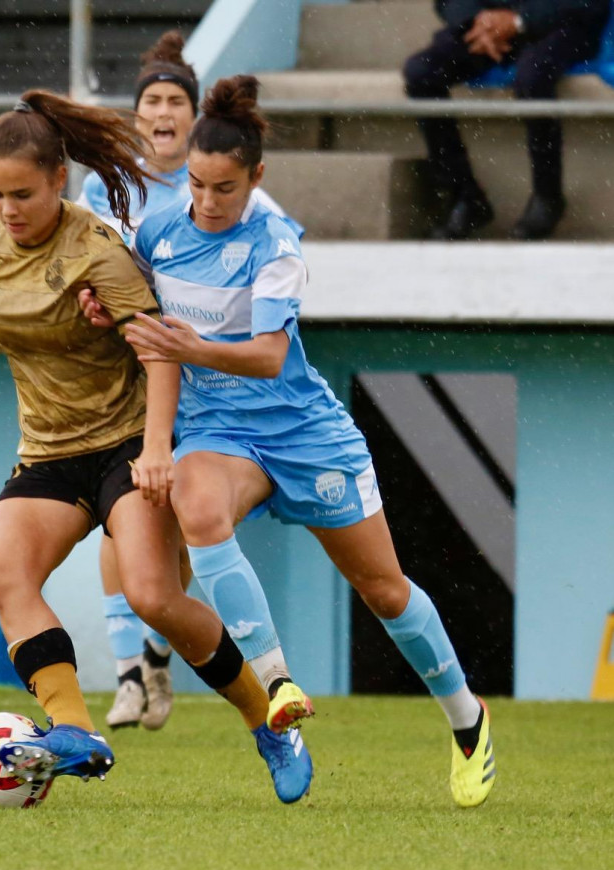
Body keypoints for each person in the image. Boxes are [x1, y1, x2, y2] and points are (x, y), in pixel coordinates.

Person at [94, 73, 495, 807]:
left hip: (305, 434)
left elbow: (270, 355)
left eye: (225, 188)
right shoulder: (157, 234)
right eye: (199, 184)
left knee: (382, 589)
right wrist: (107, 310)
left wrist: (192, 347)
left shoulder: (274, 243)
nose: (208, 202)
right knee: (196, 503)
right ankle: (277, 683)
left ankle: (467, 721)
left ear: (256, 178)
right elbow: (142, 328)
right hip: (219, 432)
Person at [0, 89, 312, 803]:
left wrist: (157, 449)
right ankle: (73, 730)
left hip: (127, 443)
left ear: (58, 179)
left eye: (23, 193)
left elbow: (159, 353)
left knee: (154, 595)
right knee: (4, 575)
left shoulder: (96, 247)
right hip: (49, 451)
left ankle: (267, 722)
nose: (8, 209)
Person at [76, 30, 311, 735]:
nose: (162, 112)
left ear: (190, 115)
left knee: (177, 515)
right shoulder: (104, 186)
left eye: (175, 99)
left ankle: (159, 644)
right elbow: (99, 268)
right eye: (151, 99)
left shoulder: (216, 187)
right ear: (137, 115)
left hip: (202, 374)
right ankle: (129, 670)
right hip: (130, 367)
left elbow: (265, 266)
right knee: (122, 517)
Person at [404, 0, 609, 241]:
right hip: (487, 25)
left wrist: (517, 21)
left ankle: (547, 196)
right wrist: (480, 21)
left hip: (561, 23)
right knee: (422, 72)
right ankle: (465, 198)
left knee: (533, 77)